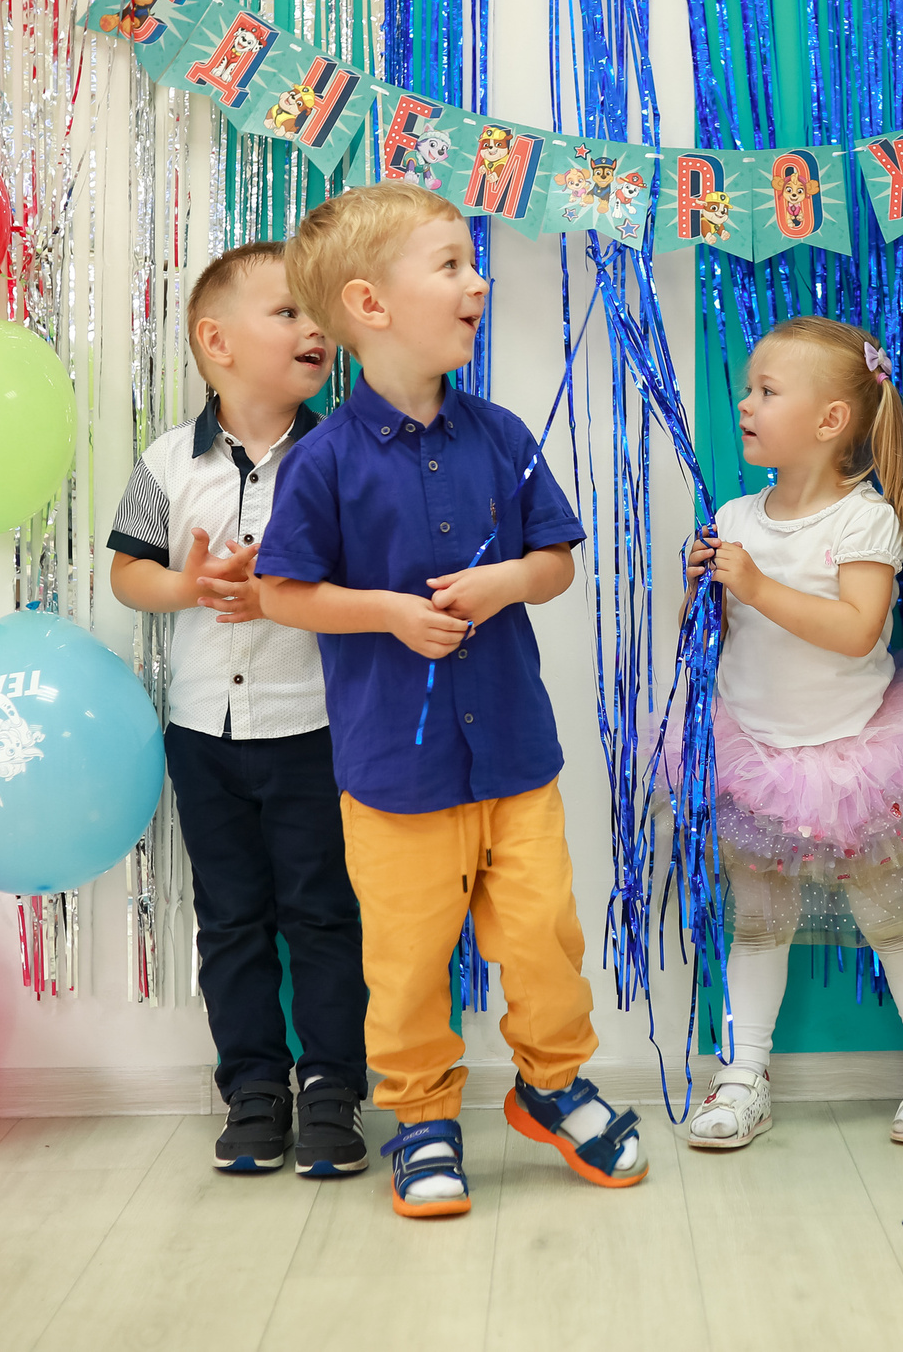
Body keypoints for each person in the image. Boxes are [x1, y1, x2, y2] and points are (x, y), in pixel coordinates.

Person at [256, 182, 645, 1218]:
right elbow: (281, 591)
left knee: (546, 942)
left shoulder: (502, 431)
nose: (476, 282)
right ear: (370, 306)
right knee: (409, 965)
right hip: (396, 776)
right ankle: (422, 1116)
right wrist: (388, 610)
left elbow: (556, 558)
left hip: (515, 757)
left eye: (472, 265)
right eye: (451, 265)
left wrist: (507, 581)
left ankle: (551, 1085)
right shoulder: (325, 460)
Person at [105, 241, 368, 1177]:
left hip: (315, 731)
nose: (316, 331)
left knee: (324, 916)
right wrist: (193, 584)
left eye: (319, 316)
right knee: (231, 919)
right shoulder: (167, 460)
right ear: (216, 342)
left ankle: (334, 1085)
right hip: (202, 733)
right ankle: (254, 1087)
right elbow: (127, 573)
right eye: (290, 313)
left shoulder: (346, 452)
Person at [679, 316, 903, 1151]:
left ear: (831, 421)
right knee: (758, 920)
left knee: (889, 914)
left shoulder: (864, 517)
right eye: (748, 388)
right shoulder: (737, 513)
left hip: (854, 757)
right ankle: (745, 1072)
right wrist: (702, 587)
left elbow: (854, 629)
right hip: (755, 753)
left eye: (767, 390)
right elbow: (718, 634)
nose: (745, 401)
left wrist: (758, 584)